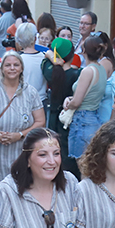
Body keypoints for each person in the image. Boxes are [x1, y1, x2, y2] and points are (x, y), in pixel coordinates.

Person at [0, 52, 45, 181]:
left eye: (16, 65)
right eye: (8, 65)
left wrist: (20, 134)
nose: (12, 68)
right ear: (2, 68)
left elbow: (40, 121)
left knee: (20, 188)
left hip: (21, 152)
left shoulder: (30, 92)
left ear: (21, 68)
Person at [62, 37, 108, 164]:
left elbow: (77, 102)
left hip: (82, 120)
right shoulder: (101, 69)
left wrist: (67, 104)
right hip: (95, 117)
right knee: (91, 164)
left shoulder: (87, 71)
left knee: (83, 164)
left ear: (83, 51)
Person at [41, 37, 82, 167]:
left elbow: (45, 59)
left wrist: (51, 56)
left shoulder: (48, 69)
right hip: (70, 117)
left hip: (53, 117)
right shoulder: (79, 74)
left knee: (55, 149)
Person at [15, 23, 47, 100]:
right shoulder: (44, 57)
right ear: (35, 39)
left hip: (22, 100)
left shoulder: (17, 59)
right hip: (41, 100)